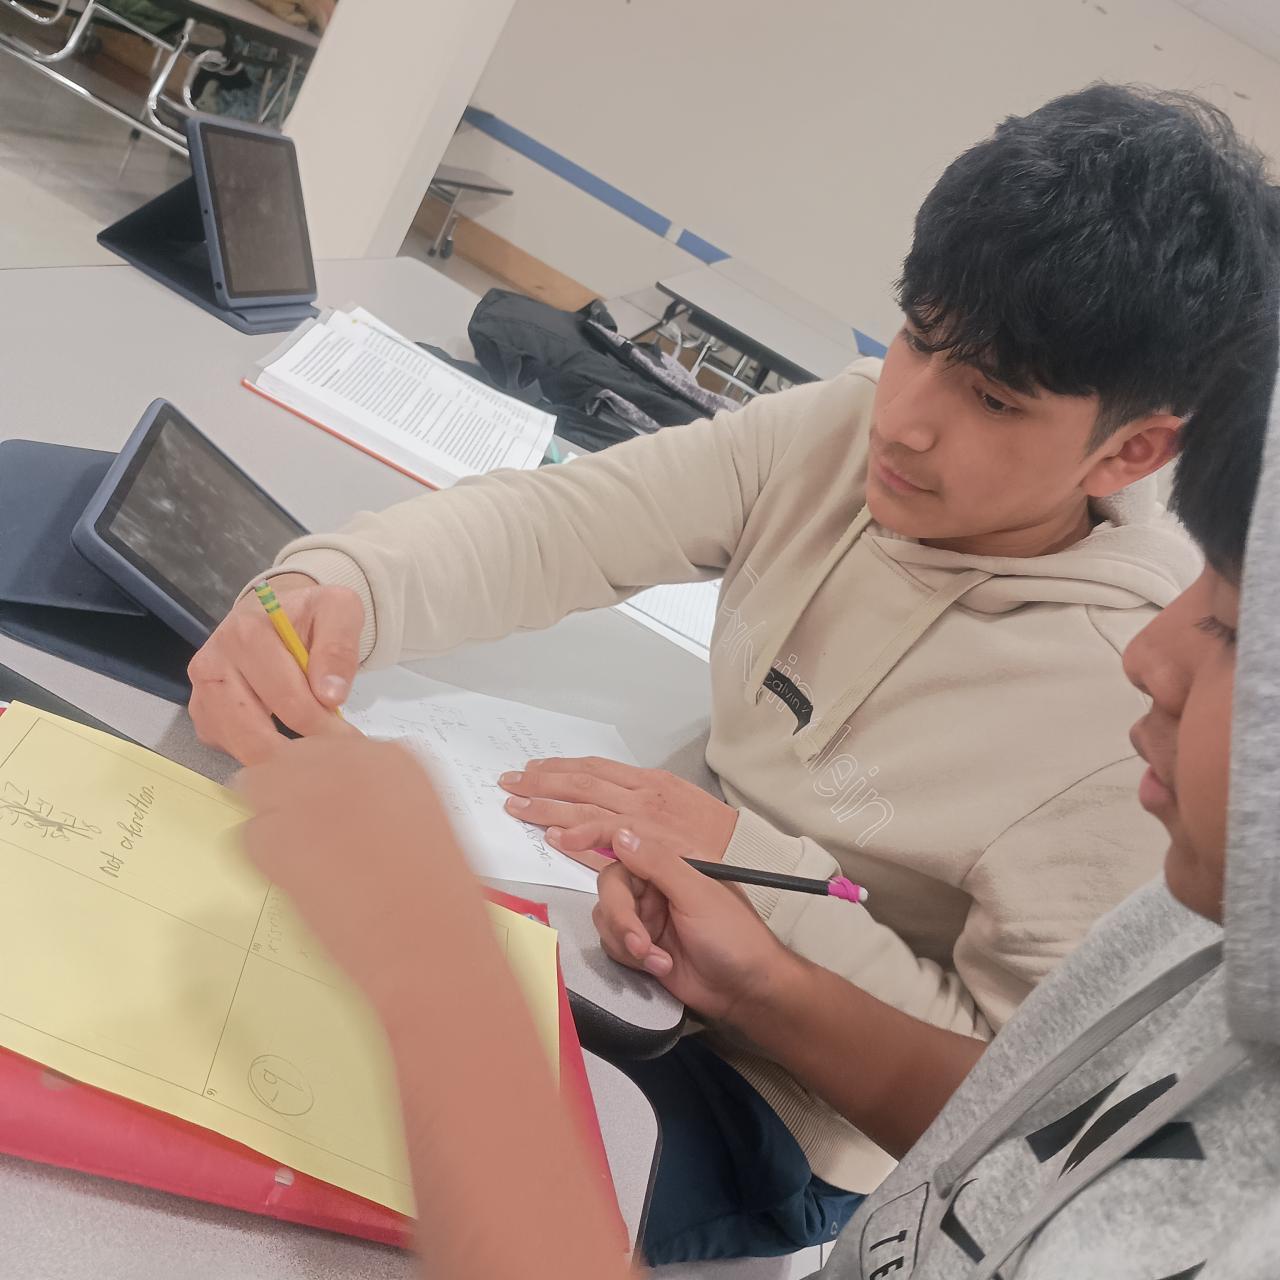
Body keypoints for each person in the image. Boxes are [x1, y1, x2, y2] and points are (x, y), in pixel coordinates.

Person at [194, 85, 1279, 1262]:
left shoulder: (1136, 720)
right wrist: (343, 582)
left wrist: (752, 873)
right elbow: (565, 523)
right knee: (227, 987)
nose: (905, 420)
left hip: (773, 1100)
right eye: (918, 337)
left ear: (1130, 450)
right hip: (610, 930)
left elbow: (1004, 1097)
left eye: (991, 398)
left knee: (320, 1151)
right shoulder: (844, 430)